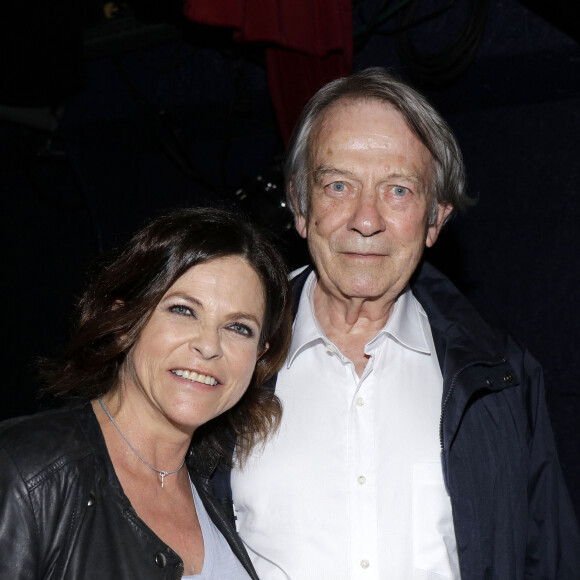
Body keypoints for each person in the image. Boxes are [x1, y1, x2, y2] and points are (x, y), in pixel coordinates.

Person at [221, 68, 580, 578]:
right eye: (339, 185)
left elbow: (550, 562)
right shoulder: (222, 357)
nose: (365, 219)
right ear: (301, 207)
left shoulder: (504, 379)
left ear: (435, 219)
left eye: (398, 191)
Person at [0, 207, 292, 579]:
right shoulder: (27, 470)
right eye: (184, 310)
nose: (208, 346)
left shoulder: (220, 492)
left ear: (258, 356)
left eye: (238, 327)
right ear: (124, 323)